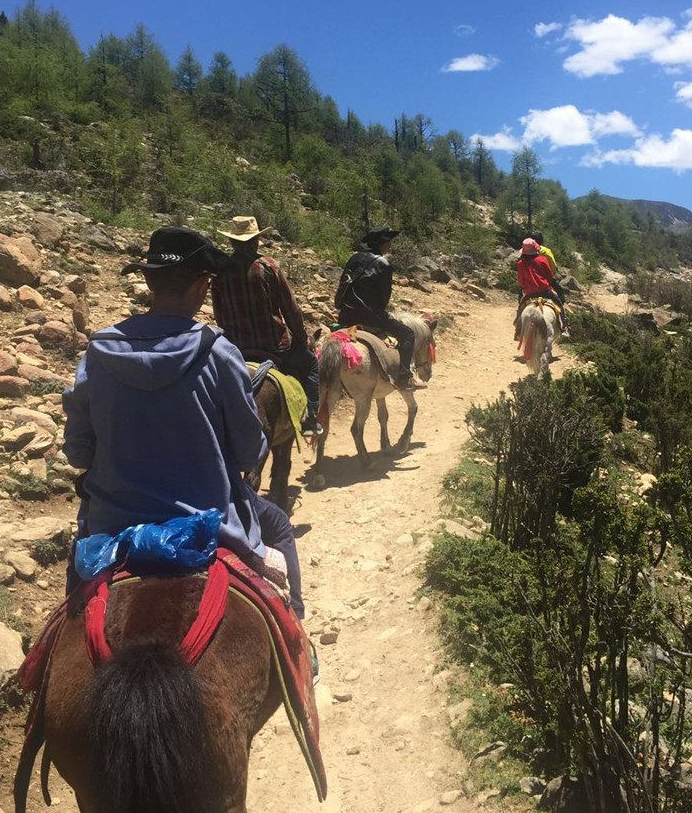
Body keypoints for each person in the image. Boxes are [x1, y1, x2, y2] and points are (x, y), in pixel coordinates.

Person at [62, 227, 304, 619]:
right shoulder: (218, 352)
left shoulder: (99, 351)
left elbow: (77, 451)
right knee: (278, 526)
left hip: (113, 525)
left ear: (148, 280)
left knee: (74, 596)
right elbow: (249, 451)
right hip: (208, 526)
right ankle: (298, 633)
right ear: (202, 284)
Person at [211, 216, 321, 436]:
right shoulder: (268, 266)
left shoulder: (220, 272)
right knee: (310, 364)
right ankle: (309, 418)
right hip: (273, 345)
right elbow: (290, 309)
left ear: (232, 242)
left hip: (237, 347)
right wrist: (302, 338)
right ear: (256, 241)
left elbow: (220, 317)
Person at [335, 225, 426, 390]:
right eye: (388, 242)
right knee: (408, 334)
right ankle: (404, 377)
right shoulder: (383, 263)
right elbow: (384, 297)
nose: (389, 245)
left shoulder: (353, 258)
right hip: (370, 317)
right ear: (382, 244)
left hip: (346, 315)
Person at [530, 230, 569, 336]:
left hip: (529, 283)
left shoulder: (524, 252)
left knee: (521, 297)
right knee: (560, 297)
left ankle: (518, 320)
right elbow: (553, 268)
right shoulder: (546, 252)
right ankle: (563, 326)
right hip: (545, 282)